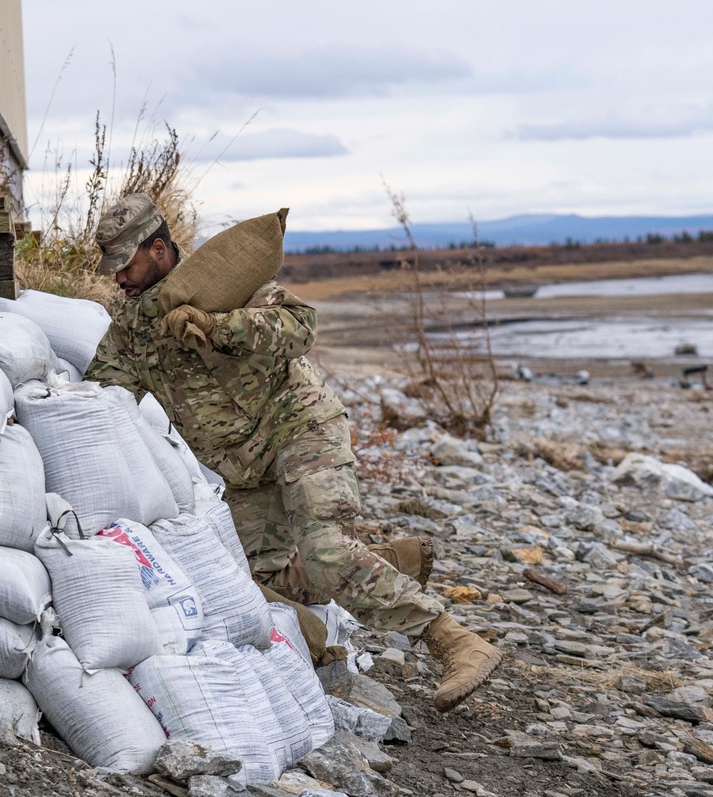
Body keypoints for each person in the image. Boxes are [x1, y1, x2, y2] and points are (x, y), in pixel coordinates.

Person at [84, 193, 502, 712]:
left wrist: (219, 327)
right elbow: (102, 393)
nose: (118, 279)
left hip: (300, 429)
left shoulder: (224, 282)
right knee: (248, 586)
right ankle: (393, 562)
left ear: (158, 249)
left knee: (326, 551)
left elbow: (300, 327)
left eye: (125, 264)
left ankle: (454, 640)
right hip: (244, 470)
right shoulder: (132, 329)